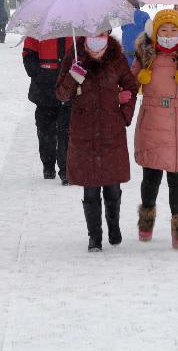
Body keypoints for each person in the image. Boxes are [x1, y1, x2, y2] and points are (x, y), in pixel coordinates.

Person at [132, 9, 178, 251]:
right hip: (152, 120)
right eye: (163, 30)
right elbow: (131, 84)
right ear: (154, 33)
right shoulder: (144, 56)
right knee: (151, 176)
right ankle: (147, 218)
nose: (168, 34)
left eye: (173, 30)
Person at [56, 32, 138, 251]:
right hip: (84, 132)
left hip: (112, 130)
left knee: (112, 186)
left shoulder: (116, 57)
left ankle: (114, 228)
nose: (96, 36)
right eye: (91, 32)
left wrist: (123, 115)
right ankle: (95, 237)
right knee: (90, 189)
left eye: (101, 32)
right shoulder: (73, 56)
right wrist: (73, 76)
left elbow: (131, 87)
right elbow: (62, 95)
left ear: (107, 33)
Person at [22, 0, 73, 184]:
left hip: (70, 83)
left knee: (67, 129)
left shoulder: (77, 24)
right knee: (45, 129)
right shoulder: (38, 23)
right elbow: (28, 53)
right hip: (44, 84)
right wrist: (38, 74)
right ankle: (48, 164)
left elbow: (86, 52)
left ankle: (66, 169)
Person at [119, 0, 149, 69]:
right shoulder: (144, 15)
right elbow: (149, 28)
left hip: (127, 48)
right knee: (141, 66)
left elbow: (123, 28)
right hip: (141, 47)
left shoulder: (125, 17)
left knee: (129, 67)